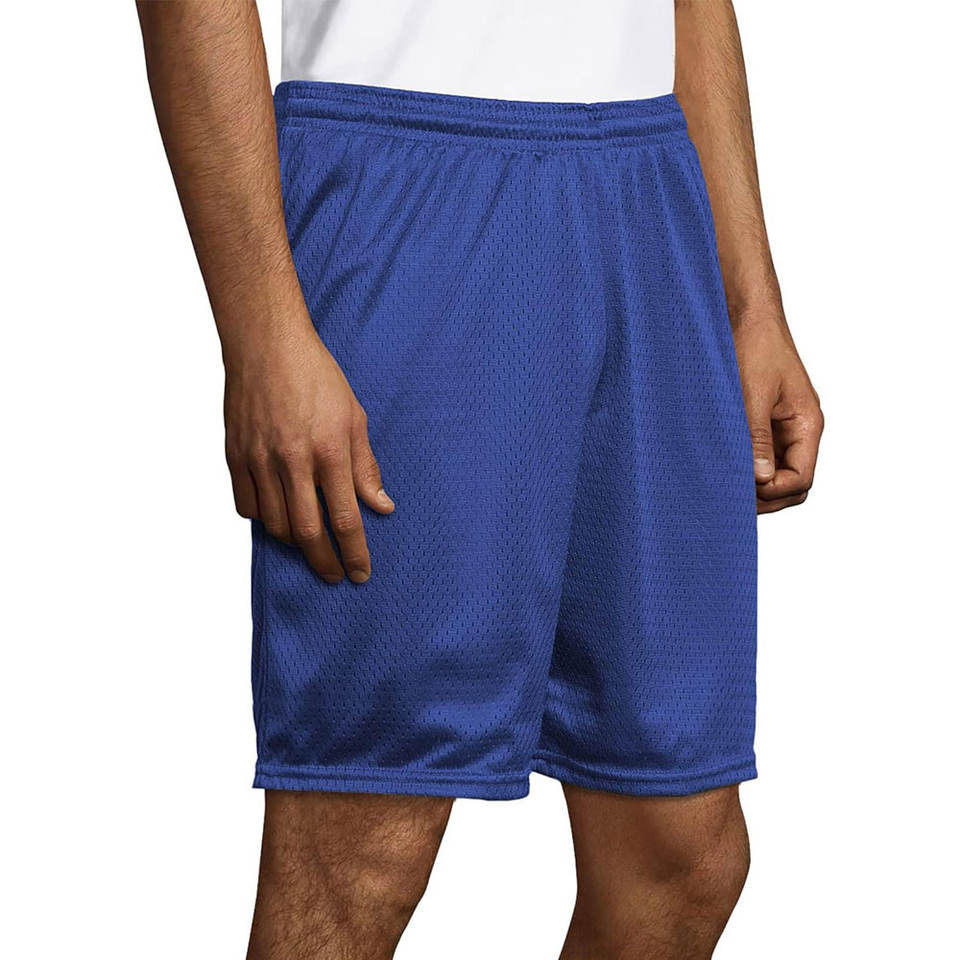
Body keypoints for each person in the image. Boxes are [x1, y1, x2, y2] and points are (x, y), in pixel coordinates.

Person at [136, 1, 823, 957]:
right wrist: (260, 329)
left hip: (649, 190)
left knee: (679, 849)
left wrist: (751, 301)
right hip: (406, 182)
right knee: (364, 846)